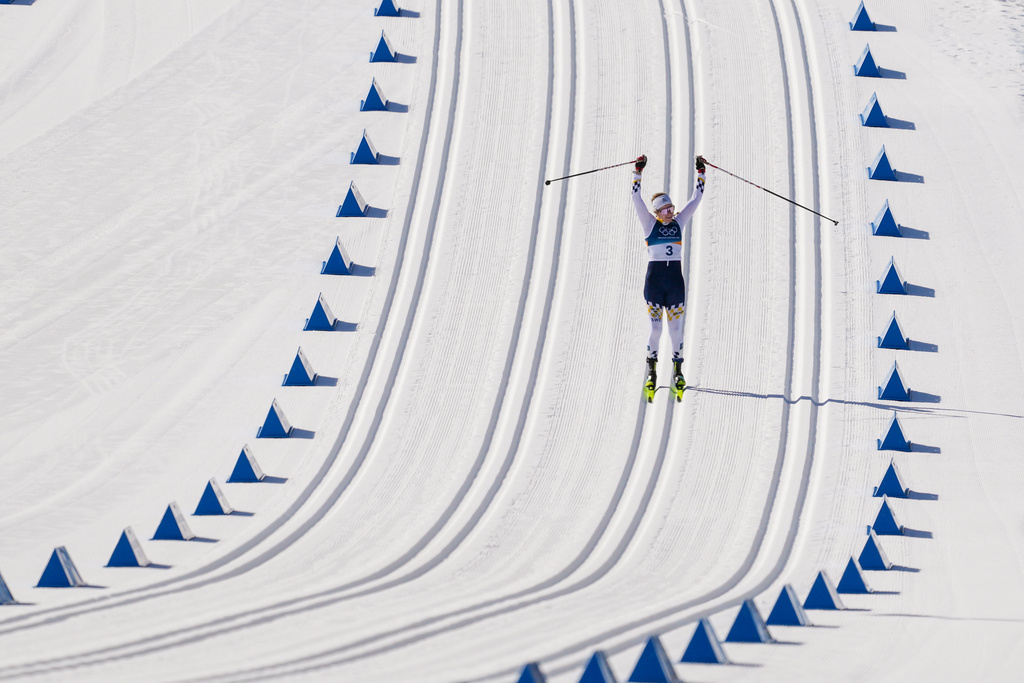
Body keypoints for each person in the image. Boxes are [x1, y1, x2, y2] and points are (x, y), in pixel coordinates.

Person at [631, 153, 706, 401]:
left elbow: (697, 198)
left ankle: (677, 370)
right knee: (655, 330)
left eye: (672, 208)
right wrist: (637, 172)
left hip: (675, 284)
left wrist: (701, 173)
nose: (671, 212)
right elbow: (635, 197)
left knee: (675, 331)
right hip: (654, 284)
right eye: (665, 209)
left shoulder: (679, 222)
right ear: (657, 211)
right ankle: (652, 371)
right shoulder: (649, 224)